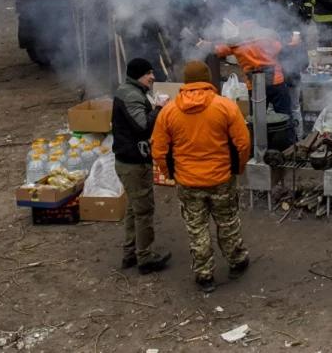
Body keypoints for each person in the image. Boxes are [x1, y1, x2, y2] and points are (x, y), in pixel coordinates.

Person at [152, 61, 252, 293]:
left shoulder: (169, 111)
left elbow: (158, 149)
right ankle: (237, 262)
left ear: (186, 81)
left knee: (196, 228)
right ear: (208, 79)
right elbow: (243, 142)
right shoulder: (225, 107)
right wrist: (237, 168)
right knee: (227, 223)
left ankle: (204, 274)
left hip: (187, 182)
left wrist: (171, 174)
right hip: (221, 179)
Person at [111, 58, 172, 273]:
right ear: (139, 75)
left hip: (128, 161)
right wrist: (158, 108)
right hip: (134, 163)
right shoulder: (131, 95)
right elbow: (143, 126)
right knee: (144, 210)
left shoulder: (129, 91)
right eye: (149, 73)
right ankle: (145, 258)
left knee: (133, 209)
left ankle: (130, 253)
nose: (153, 77)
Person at [213, 28, 292, 117]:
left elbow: (218, 51)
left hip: (254, 85)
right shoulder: (267, 38)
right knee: (284, 116)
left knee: (256, 118)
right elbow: (280, 47)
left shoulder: (235, 44)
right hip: (276, 82)